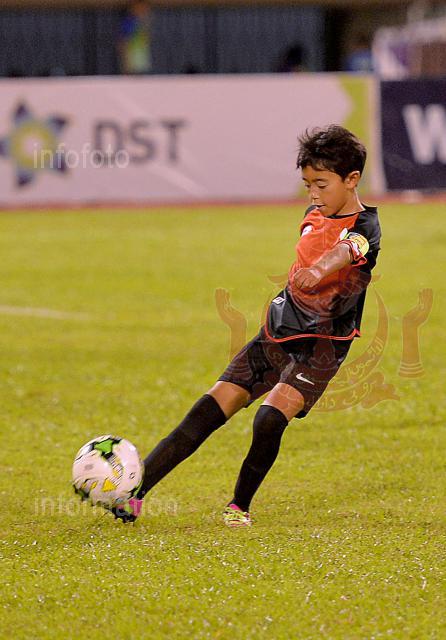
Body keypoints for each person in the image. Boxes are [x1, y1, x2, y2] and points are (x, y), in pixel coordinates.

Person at [109, 125, 382, 526]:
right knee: (208, 410)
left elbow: (348, 248)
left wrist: (319, 270)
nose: (313, 194)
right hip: (278, 331)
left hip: (322, 347)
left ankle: (239, 506)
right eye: (307, 184)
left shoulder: (367, 226)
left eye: (321, 184)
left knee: (269, 418)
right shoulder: (312, 215)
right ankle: (133, 495)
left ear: (352, 179)